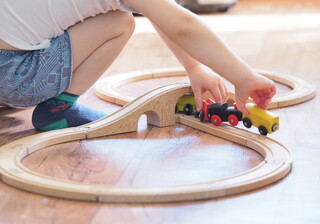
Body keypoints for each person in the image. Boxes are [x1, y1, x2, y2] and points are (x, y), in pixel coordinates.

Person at [0, 0, 276, 131]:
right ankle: (58, 108)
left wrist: (194, 68)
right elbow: (182, 25)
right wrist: (243, 77)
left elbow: (161, 14)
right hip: (17, 76)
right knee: (120, 21)